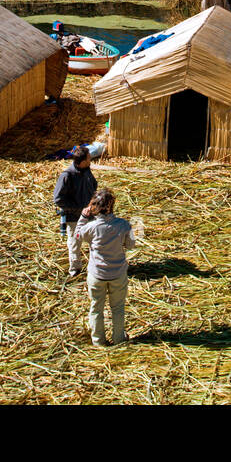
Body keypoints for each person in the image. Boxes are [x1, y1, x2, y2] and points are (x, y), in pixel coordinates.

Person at [74, 187, 135, 347]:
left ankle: (98, 341)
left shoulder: (91, 227)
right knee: (118, 308)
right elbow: (131, 245)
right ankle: (118, 339)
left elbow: (78, 235)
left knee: (96, 307)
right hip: (117, 274)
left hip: (97, 275)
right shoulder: (124, 225)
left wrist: (83, 217)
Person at [52, 146, 97, 276]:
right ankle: (75, 270)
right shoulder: (67, 176)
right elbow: (58, 199)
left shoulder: (87, 171)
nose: (90, 160)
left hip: (90, 216)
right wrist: (77, 208)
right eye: (88, 159)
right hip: (74, 218)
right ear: (82, 161)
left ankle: (94, 267)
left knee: (94, 241)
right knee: (75, 243)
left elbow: (94, 184)